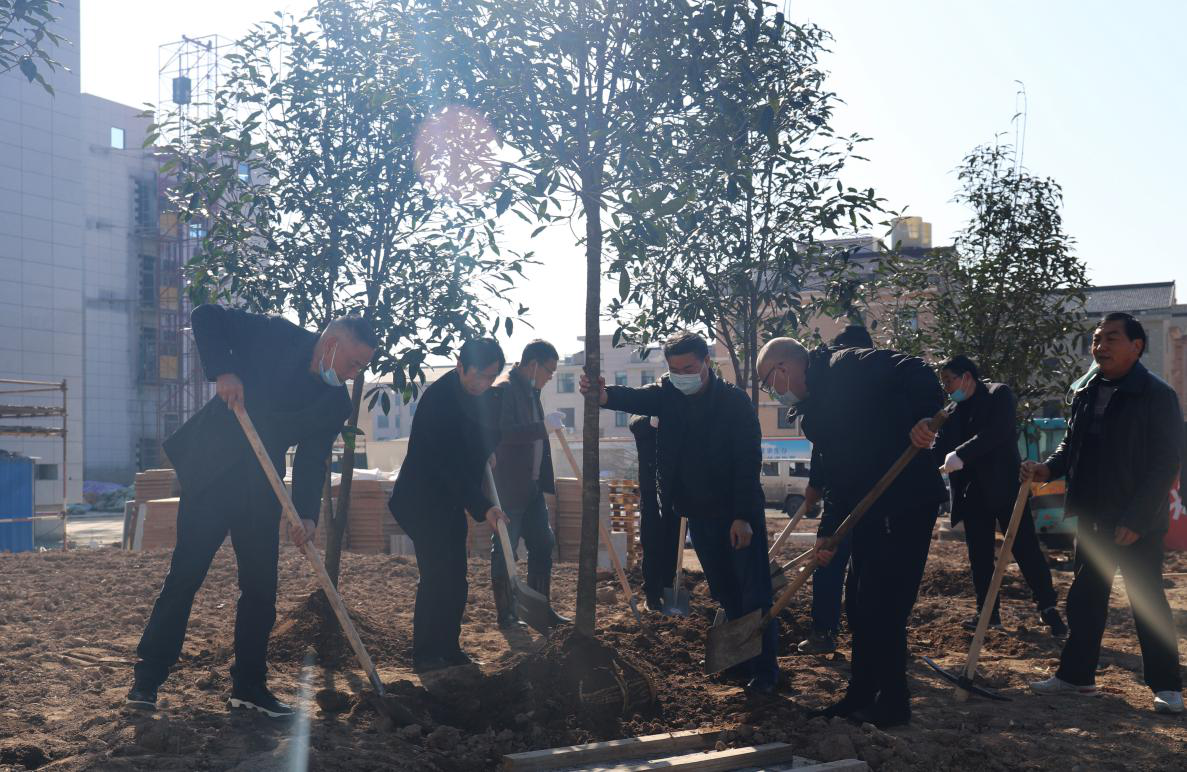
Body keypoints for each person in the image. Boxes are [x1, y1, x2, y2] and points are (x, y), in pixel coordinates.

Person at [128, 305, 376, 717]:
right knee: (186, 575)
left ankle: (249, 687)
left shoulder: (334, 404)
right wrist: (224, 372)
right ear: (331, 344)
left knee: (261, 588)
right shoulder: (276, 335)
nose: (354, 374)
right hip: (213, 471)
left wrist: (307, 514)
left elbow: (313, 460)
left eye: (361, 367)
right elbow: (206, 315)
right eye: (353, 363)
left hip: (262, 484)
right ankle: (147, 680)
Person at [756, 336, 946, 728]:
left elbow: (917, 370)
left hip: (905, 500)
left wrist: (924, 418)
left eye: (768, 381)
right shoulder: (814, 413)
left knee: (884, 606)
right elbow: (838, 478)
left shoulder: (848, 366)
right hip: (870, 511)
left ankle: (892, 704)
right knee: (859, 605)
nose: (771, 391)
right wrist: (829, 532)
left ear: (784, 368)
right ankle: (860, 694)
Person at [580, 332, 777, 694]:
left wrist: (743, 516)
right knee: (725, 591)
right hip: (698, 514)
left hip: (736, 514)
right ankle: (740, 661)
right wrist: (604, 395)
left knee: (753, 593)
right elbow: (636, 397)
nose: (682, 375)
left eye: (689, 368)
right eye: (675, 370)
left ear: (706, 363)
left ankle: (765, 673)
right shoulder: (669, 395)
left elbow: (748, 462)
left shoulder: (734, 403)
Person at [1026, 313, 1183, 714]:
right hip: (1092, 514)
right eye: (1097, 339)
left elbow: (1165, 463)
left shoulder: (1156, 395)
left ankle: (1167, 686)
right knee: (1085, 598)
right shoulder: (1087, 391)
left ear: (1136, 346)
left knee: (1147, 602)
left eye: (1111, 338)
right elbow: (1072, 446)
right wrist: (1048, 469)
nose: (1100, 346)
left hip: (1135, 521)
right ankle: (1076, 676)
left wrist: (1136, 519)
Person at [388, 338, 509, 673]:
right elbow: (449, 464)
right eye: (479, 375)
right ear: (460, 366)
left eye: (491, 377)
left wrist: (487, 450)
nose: (484, 383)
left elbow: (484, 433)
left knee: (457, 575)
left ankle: (449, 647)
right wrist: (484, 507)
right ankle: (426, 654)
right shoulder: (439, 400)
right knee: (437, 574)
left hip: (451, 499)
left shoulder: (482, 396)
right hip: (422, 498)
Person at [935, 355, 1066, 636]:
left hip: (1005, 489)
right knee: (980, 556)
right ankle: (987, 614)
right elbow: (940, 448)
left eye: (948, 381)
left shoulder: (998, 394)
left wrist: (961, 454)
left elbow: (997, 432)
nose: (946, 388)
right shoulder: (951, 411)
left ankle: (1048, 609)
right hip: (972, 495)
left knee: (1026, 550)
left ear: (966, 377)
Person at [798, 324, 872, 655]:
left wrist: (826, 521)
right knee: (836, 561)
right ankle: (831, 631)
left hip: (864, 494)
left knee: (838, 561)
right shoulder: (838, 395)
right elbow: (823, 446)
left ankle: (842, 631)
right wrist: (815, 485)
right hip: (850, 494)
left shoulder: (864, 393)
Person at [489, 340, 570, 629]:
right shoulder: (505, 389)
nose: (550, 377)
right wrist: (543, 427)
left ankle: (539, 609)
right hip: (510, 487)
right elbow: (504, 433)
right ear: (533, 364)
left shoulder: (531, 391)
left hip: (532, 486)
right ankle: (507, 614)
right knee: (505, 547)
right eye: (549, 371)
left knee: (543, 542)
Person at [629, 414, 681, 611]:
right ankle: (652, 594)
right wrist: (650, 420)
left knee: (673, 543)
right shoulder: (646, 408)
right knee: (652, 542)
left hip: (677, 490)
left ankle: (667, 589)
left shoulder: (680, 405)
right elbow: (634, 423)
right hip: (651, 489)